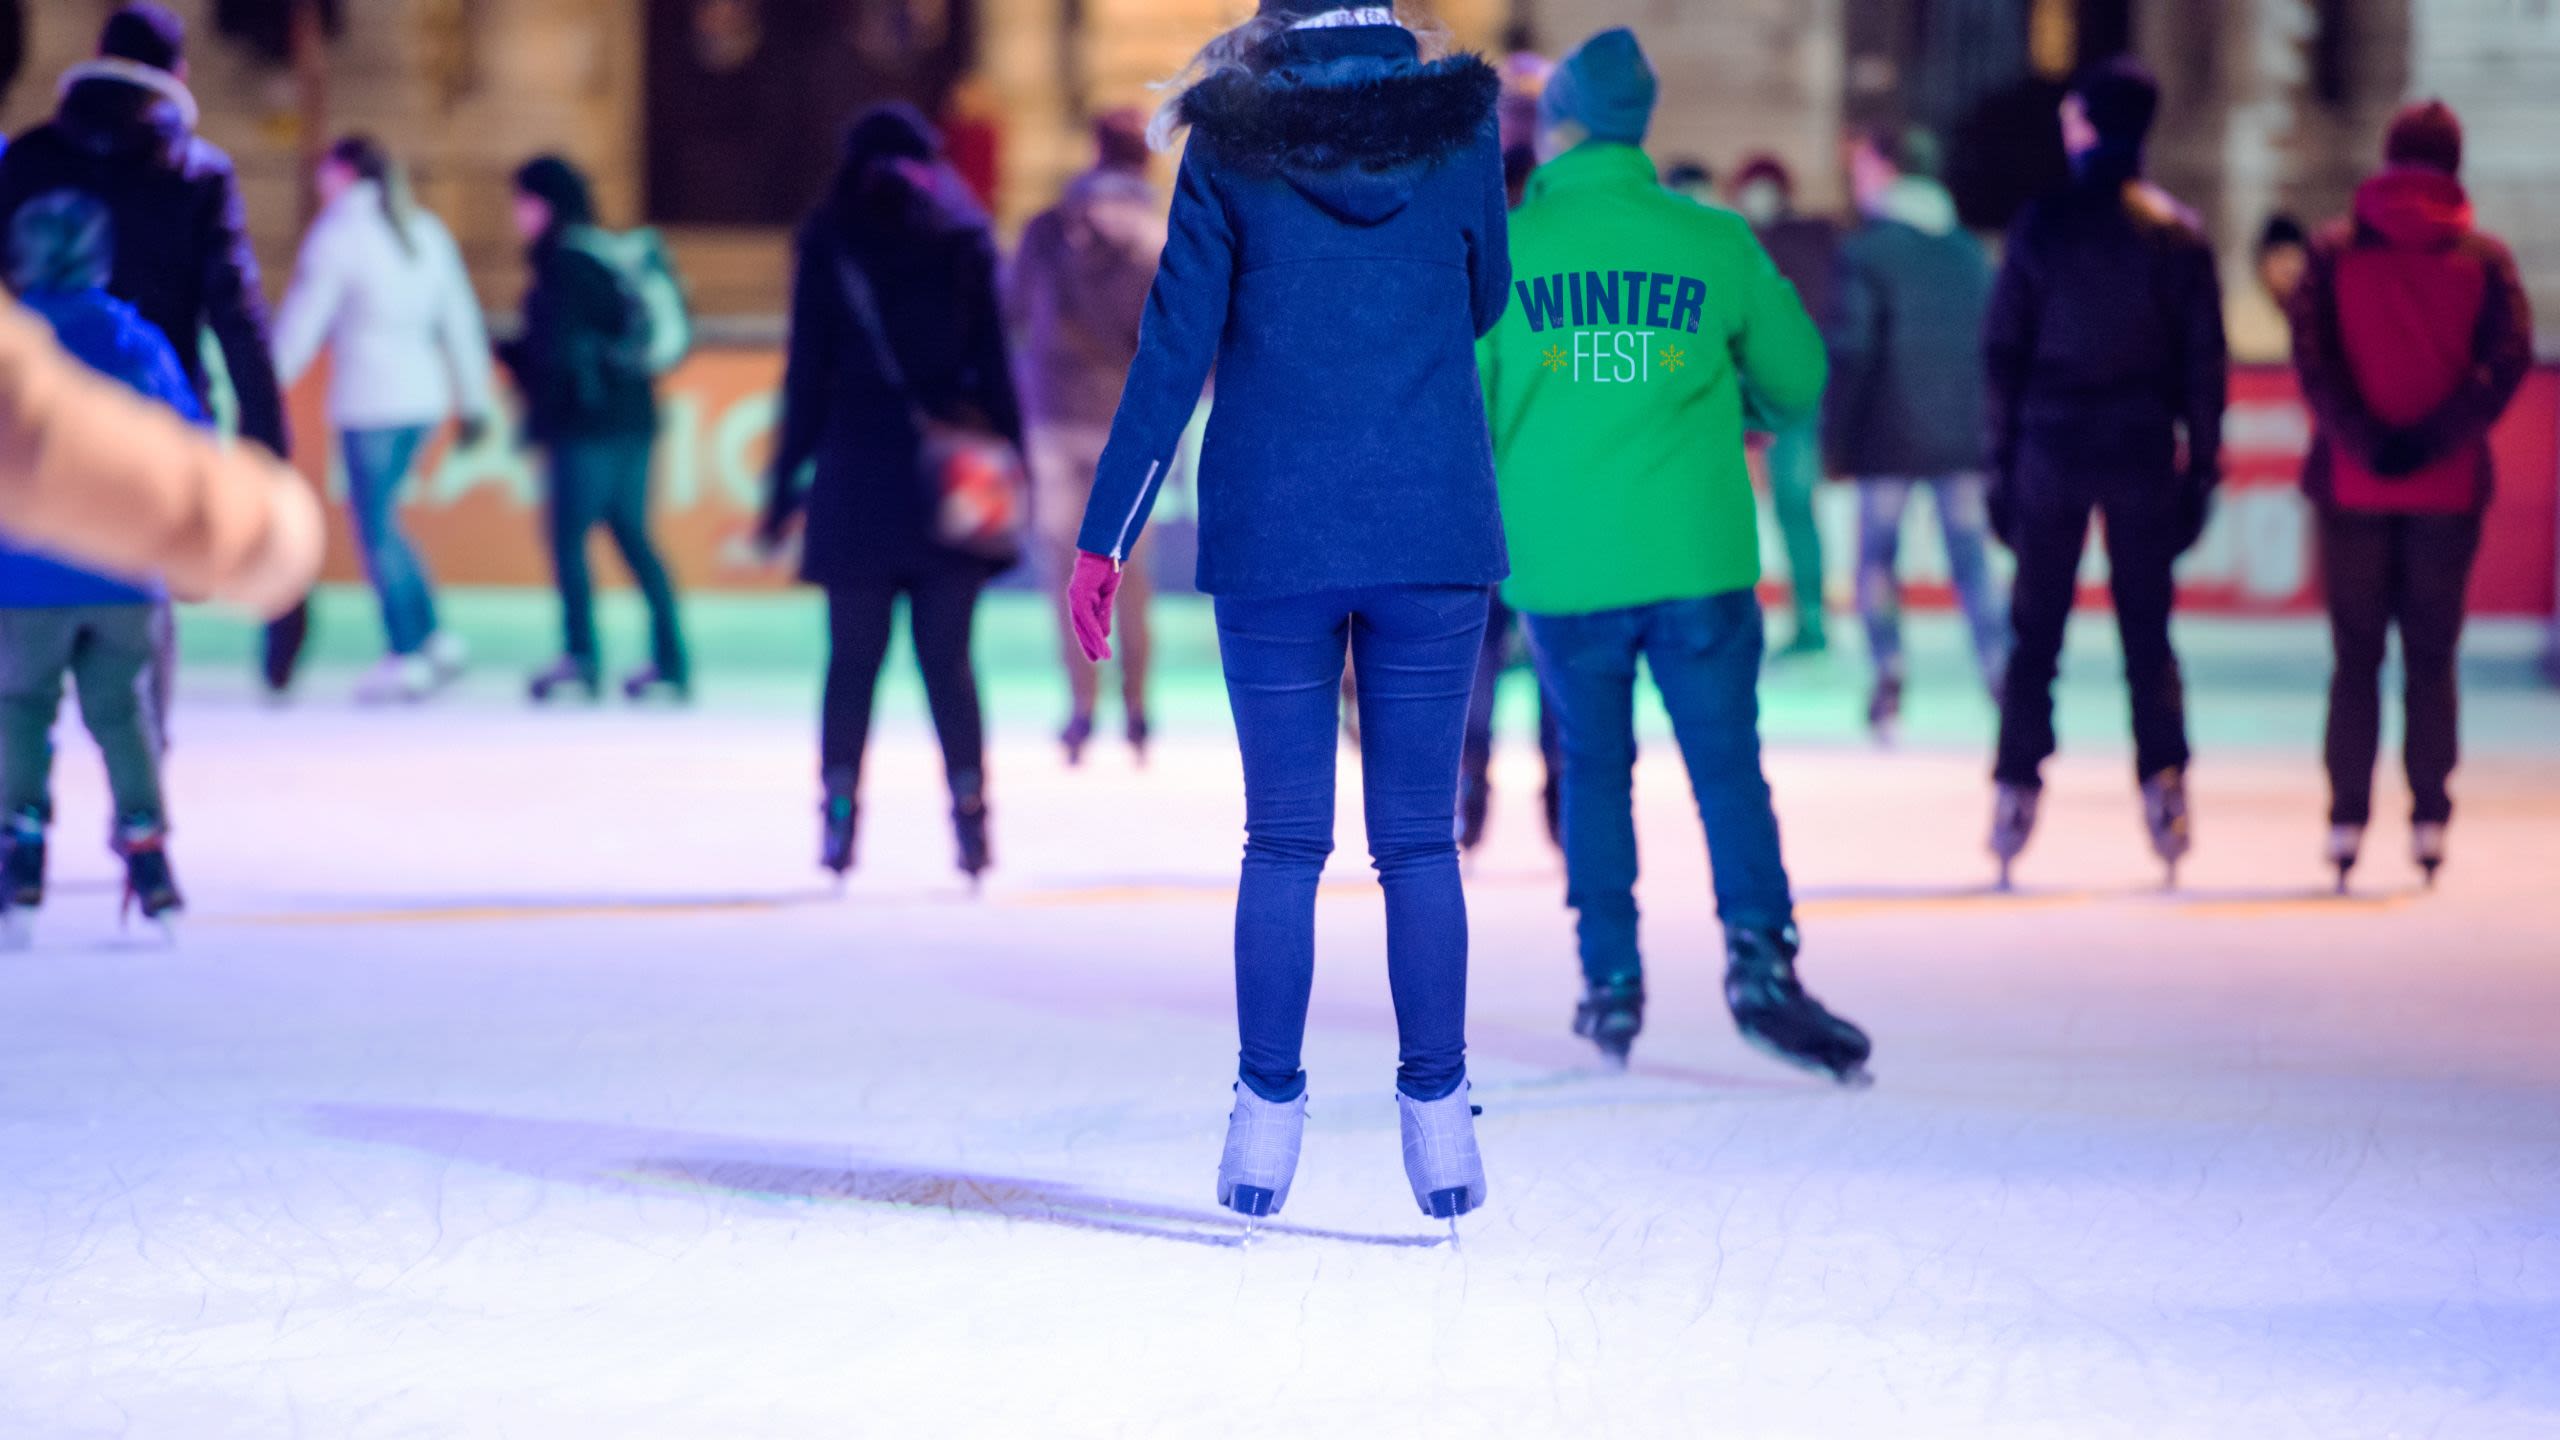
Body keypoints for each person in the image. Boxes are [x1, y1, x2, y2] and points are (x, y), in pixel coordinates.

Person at [1062, 0, 1509, 1226]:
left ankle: (1265, 1116)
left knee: (1283, 842)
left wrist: (1106, 537)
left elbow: (1172, 351)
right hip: (1429, 523)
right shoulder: (1460, 130)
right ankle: (1438, 1121)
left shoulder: (1231, 140)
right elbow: (1484, 297)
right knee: (1417, 843)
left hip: (1275, 533)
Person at [1481, 28, 1870, 1085]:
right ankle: (1761, 962)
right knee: (1726, 767)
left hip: (1565, 564)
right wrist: (1728, 403)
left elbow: (1468, 406)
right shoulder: (1714, 240)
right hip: (1697, 559)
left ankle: (1609, 979)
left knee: (1592, 769)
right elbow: (1797, 380)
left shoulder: (1509, 249)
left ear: (1561, 126)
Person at [0, 4, 299, 698]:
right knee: (140, 611)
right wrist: (269, 465)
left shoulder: (30, 158)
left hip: (43, 417)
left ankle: (20, 750)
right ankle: (140, 749)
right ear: (180, 74)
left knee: (24, 618)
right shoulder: (197, 173)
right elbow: (240, 322)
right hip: (152, 419)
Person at [762, 106, 1021, 883]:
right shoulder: (963, 239)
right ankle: (971, 816)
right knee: (949, 661)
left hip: (856, 476)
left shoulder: (831, 239)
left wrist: (780, 491)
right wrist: (1015, 464)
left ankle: (839, 813)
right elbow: (997, 368)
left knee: (852, 661)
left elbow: (806, 378)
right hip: (948, 480)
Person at [1984, 59, 2225, 888]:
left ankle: (2015, 789)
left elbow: (2004, 354)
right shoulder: (2176, 234)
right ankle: (2165, 786)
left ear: (2087, 125)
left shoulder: (2043, 225)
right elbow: (2203, 365)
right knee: (2146, 634)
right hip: (2138, 448)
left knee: (2035, 635)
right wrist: (2203, 467)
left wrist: (1999, 466)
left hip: (2052, 448)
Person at [2287, 101, 2531, 891]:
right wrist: (2433, 440)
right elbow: (2506, 362)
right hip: (2447, 490)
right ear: (2454, 165)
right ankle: (2429, 817)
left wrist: (2363, 440)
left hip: (2352, 486)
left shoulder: (2333, 252)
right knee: (2431, 658)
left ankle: (2345, 820)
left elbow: (2312, 360)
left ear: (2388, 159)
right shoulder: (2484, 262)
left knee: (2355, 657)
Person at [0, 193, 211, 932]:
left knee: (19, 707)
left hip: (24, 576)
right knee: (124, 712)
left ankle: (21, 844)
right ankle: (147, 848)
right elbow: (190, 444)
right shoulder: (136, 341)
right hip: (123, 572)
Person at [273, 135, 495, 704]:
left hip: (372, 402)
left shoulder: (340, 235)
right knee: (385, 522)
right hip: (422, 398)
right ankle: (431, 638)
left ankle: (409, 650)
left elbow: (304, 320)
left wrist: (265, 379)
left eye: (325, 171)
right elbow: (459, 319)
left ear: (344, 173)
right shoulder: (423, 230)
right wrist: (473, 398)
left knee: (376, 528)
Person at [1825, 126, 2005, 742]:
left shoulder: (1869, 252)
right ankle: (2000, 671)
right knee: (1972, 561)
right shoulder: (1968, 253)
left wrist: (1838, 438)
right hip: (1962, 434)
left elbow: (1854, 348)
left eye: (1861, 167)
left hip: (1888, 433)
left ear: (1885, 169)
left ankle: (1889, 674)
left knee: (1876, 558)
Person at [1005, 109, 1163, 766]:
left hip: (1053, 413)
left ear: (1094, 151)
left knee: (1065, 567)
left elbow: (1012, 307)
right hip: (1128, 425)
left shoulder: (1048, 229)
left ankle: (1080, 704)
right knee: (1129, 568)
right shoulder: (1161, 236)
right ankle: (1137, 707)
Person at [503, 154, 689, 704]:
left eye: (522, 202)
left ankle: (581, 657)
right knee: (633, 535)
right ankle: (670, 660)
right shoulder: (605, 255)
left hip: (587, 424)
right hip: (634, 418)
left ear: (544, 204)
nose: (516, 215)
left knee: (569, 537)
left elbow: (558, 351)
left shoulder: (564, 263)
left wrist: (531, 391)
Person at [1729, 153, 1836, 660]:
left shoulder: (1779, 243)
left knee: (1792, 507)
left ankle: (1810, 621)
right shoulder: (1813, 240)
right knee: (1792, 509)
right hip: (1787, 395)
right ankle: (1807, 620)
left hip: (1787, 398)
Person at [2255, 214, 2309, 309]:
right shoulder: (2253, 309)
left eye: (2294, 256)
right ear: (2262, 263)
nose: (2290, 267)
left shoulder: (2309, 307)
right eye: (2281, 256)